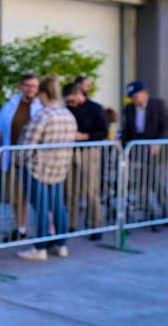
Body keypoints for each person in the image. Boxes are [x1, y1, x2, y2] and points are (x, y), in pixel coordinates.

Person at [15, 75, 78, 260]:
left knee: (41, 208)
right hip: (60, 167)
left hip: (39, 169)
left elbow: (28, 144)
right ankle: (61, 244)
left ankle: (40, 248)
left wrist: (20, 159)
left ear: (43, 93)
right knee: (58, 206)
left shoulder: (43, 115)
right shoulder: (67, 114)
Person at [0, 72, 41, 240]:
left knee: (33, 196)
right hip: (11, 157)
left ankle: (44, 230)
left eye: (34, 86)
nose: (30, 89)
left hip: (33, 159)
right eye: (27, 86)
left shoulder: (40, 107)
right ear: (21, 87)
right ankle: (20, 228)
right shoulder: (9, 105)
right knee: (15, 196)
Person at [121, 80, 168, 226]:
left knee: (158, 183)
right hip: (137, 150)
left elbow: (166, 127)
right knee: (141, 183)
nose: (134, 100)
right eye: (132, 97)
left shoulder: (158, 104)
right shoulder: (129, 109)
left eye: (136, 96)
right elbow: (127, 130)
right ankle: (146, 212)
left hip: (156, 151)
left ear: (144, 93)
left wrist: (159, 142)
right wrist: (121, 142)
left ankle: (166, 212)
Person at [63, 82, 108, 241]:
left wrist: (85, 136)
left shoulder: (95, 108)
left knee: (90, 190)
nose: (70, 104)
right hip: (70, 151)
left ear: (78, 95)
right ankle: (70, 224)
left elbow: (103, 132)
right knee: (70, 190)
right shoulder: (67, 110)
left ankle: (96, 225)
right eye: (67, 102)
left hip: (89, 151)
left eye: (72, 101)